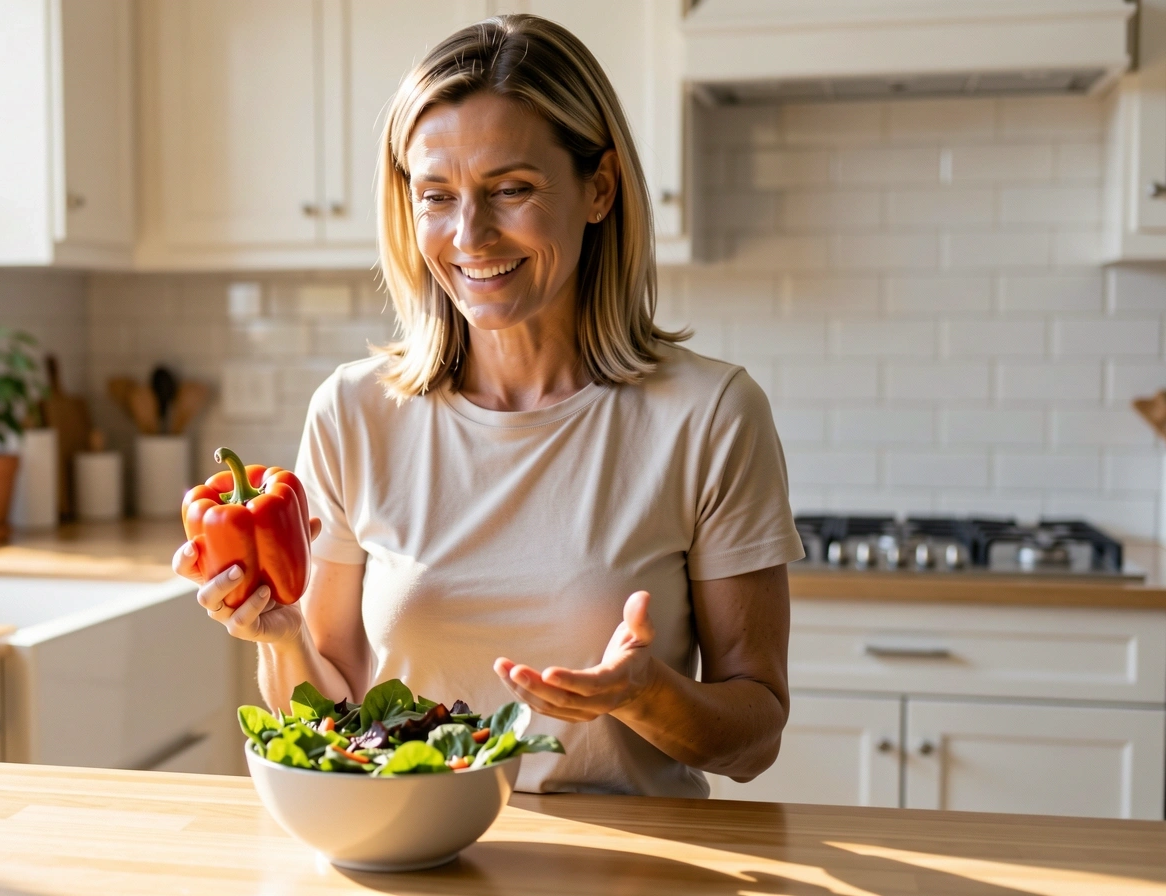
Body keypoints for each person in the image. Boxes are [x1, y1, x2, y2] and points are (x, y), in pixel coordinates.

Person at [174, 14, 802, 796]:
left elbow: (754, 737)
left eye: (512, 189)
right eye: (437, 195)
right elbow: (328, 712)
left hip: (630, 870)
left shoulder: (709, 416)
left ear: (599, 188)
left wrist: (647, 695)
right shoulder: (352, 414)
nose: (469, 235)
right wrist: (278, 638)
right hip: (412, 859)